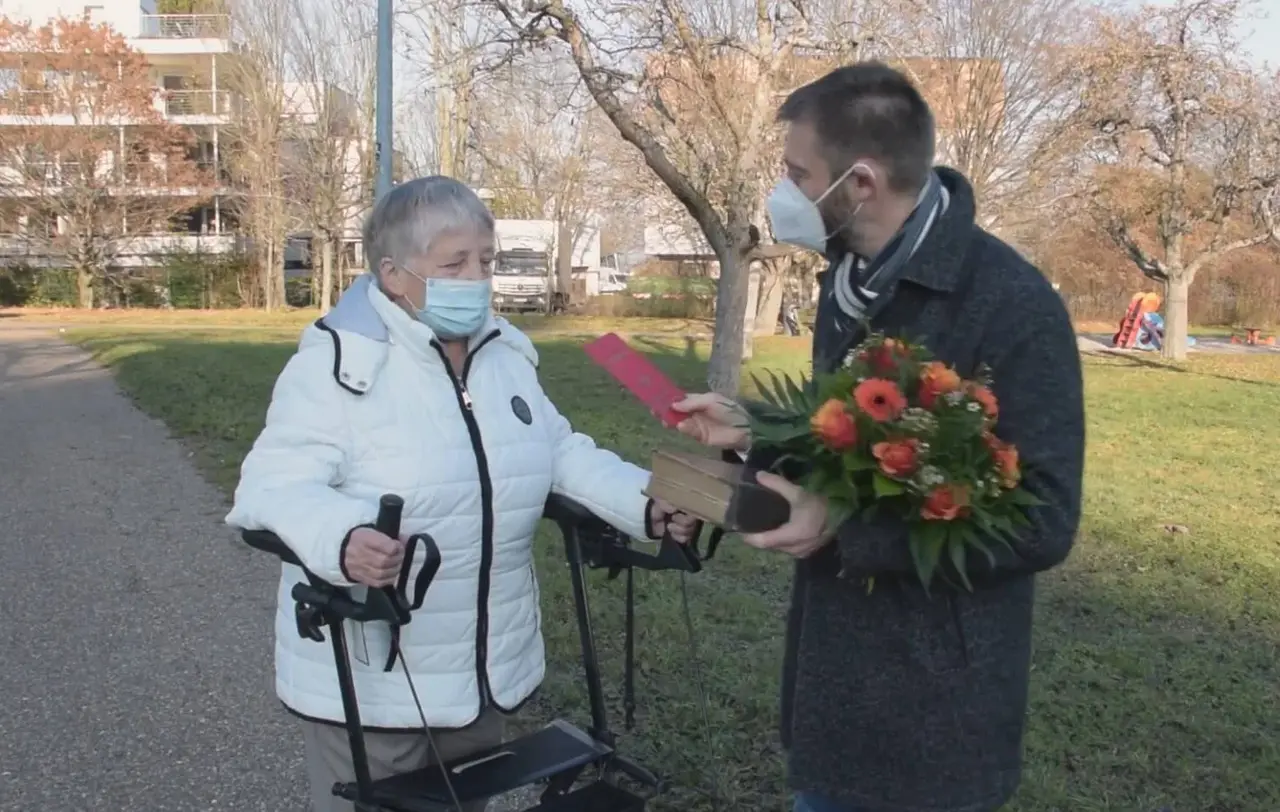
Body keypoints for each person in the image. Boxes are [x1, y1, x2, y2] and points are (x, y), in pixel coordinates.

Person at [673, 62, 1085, 812]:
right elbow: (841, 451)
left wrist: (846, 527)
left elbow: (1045, 522)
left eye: (798, 173)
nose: (783, 193)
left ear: (860, 181)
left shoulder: (1013, 305)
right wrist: (756, 435)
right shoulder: (847, 279)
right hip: (835, 690)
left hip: (937, 714)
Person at [225, 176, 698, 812]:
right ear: (394, 274)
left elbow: (557, 453)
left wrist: (646, 503)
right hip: (377, 680)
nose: (477, 278)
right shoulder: (336, 365)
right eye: (455, 263)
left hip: (483, 671)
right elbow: (269, 488)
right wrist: (343, 540)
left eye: (486, 260)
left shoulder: (502, 355)